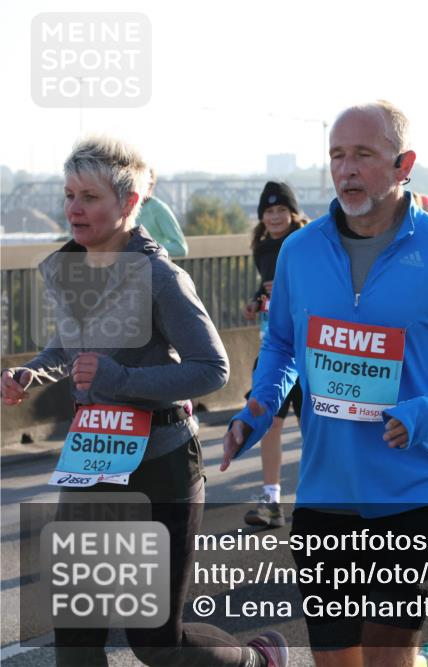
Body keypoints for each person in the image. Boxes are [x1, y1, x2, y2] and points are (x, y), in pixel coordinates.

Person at [221, 101, 428, 667]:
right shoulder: (299, 250)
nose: (347, 169)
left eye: (364, 154)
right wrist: (259, 405)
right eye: (338, 155)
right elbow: (282, 343)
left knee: (387, 660)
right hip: (325, 488)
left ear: (403, 164)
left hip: (414, 488)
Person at [1, 136, 287, 667]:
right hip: (91, 462)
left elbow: (214, 369)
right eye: (68, 194)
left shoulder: (160, 276)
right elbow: (67, 346)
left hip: (160, 465)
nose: (74, 208)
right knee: (76, 635)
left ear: (130, 204)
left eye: (89, 196)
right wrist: (31, 372)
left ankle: (255, 661)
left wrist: (120, 376)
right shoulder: (69, 267)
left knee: (154, 642)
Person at [239, 181, 307, 528]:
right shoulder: (263, 249)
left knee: (314, 426)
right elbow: (265, 285)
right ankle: (271, 500)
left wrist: (283, 292)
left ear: (294, 214)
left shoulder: (308, 244)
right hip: (274, 349)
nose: (275, 216)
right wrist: (256, 301)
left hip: (309, 350)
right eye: (269, 212)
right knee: (269, 423)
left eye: (281, 210)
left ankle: (319, 500)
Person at [135, 167, 188, 257]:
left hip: (153, 269)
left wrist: (149, 248)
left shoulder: (158, 208)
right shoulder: (125, 209)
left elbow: (181, 248)